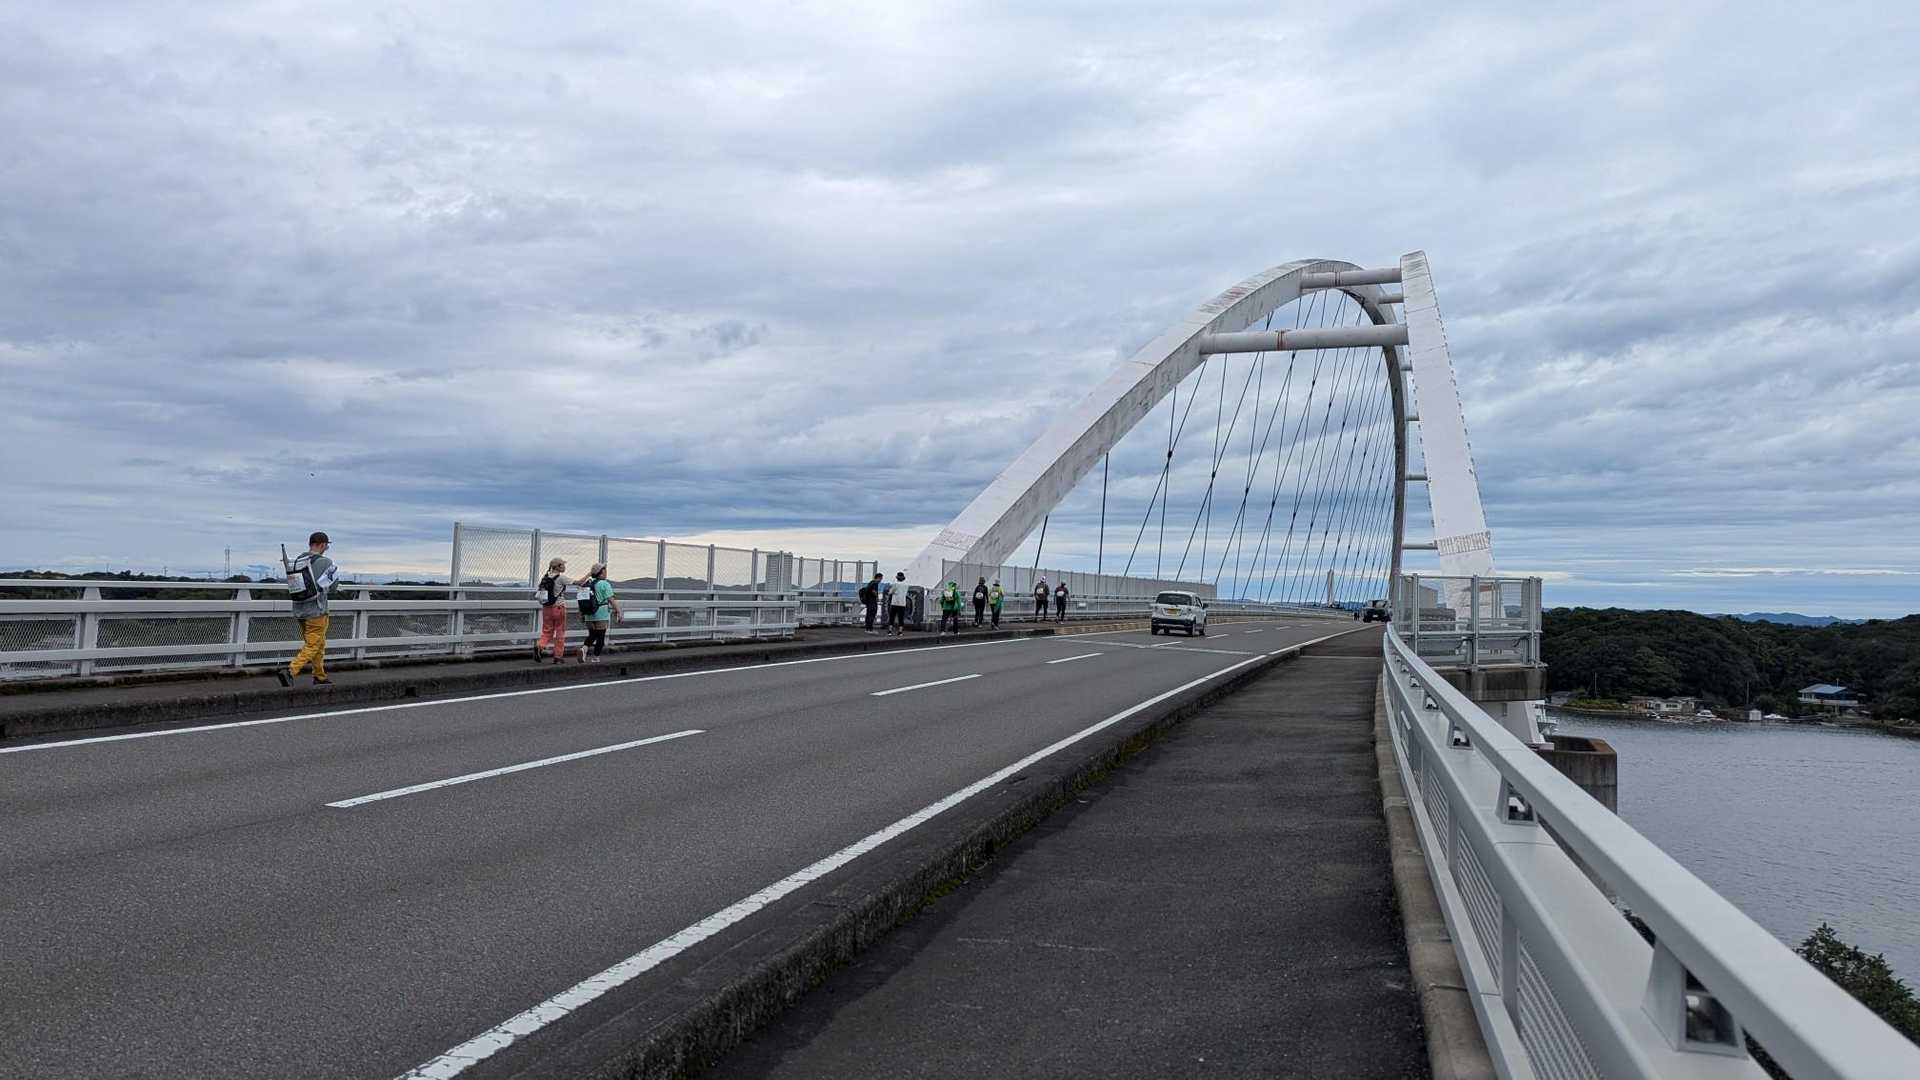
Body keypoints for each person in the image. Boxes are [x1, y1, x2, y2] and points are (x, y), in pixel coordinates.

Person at [278, 531, 339, 686]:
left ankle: (319, 676)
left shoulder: (298, 560)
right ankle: (290, 671)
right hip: (317, 611)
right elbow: (333, 588)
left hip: (300, 610)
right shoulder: (326, 562)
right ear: (323, 545)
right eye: (326, 546)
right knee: (313, 645)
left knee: (318, 644)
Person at [574, 563, 621, 662]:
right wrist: (618, 611)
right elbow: (611, 599)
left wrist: (582, 614)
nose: (606, 572)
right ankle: (596, 657)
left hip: (588, 614)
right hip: (601, 614)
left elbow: (581, 601)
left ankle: (584, 648)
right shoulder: (604, 584)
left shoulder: (587, 584)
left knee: (592, 634)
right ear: (602, 572)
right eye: (605, 570)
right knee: (600, 637)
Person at [534, 557, 570, 662]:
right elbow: (579, 582)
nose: (564, 566)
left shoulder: (545, 577)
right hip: (558, 608)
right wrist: (589, 574)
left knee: (547, 631)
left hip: (546, 608)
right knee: (560, 632)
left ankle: (540, 646)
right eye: (563, 565)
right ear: (558, 566)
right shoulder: (561, 578)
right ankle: (558, 656)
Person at [886, 570, 910, 635]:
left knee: (892, 617)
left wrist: (890, 592)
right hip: (902, 603)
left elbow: (890, 592)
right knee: (901, 618)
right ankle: (900, 632)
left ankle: (890, 631)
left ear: (897, 578)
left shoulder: (895, 584)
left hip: (894, 603)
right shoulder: (906, 585)